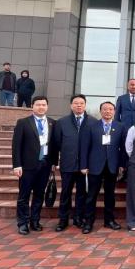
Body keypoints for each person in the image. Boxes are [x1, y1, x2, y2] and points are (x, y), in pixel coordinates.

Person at [51, 94, 95, 231]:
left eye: (81, 103)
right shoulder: (61, 122)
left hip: (84, 166)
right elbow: (56, 144)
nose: (79, 105)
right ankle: (63, 220)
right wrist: (55, 161)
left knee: (82, 194)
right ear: (71, 105)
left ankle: (78, 218)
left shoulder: (93, 122)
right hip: (67, 164)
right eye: (76, 103)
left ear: (85, 105)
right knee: (66, 193)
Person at [79, 101, 125, 233]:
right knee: (91, 195)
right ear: (100, 111)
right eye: (105, 109)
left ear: (114, 112)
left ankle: (109, 220)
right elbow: (84, 147)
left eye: (110, 109)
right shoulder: (91, 126)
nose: (108, 112)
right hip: (94, 165)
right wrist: (84, 165)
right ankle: (88, 222)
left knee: (110, 195)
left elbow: (123, 148)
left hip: (112, 166)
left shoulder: (120, 127)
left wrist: (122, 164)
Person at [11, 96, 55, 235]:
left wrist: (54, 163)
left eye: (43, 105)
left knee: (39, 194)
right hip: (27, 166)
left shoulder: (52, 123)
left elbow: (54, 146)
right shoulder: (23, 123)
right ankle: (22, 223)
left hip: (45, 165)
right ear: (32, 106)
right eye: (38, 104)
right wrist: (17, 165)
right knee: (24, 196)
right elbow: (16, 146)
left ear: (47, 106)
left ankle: (35, 221)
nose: (41, 107)